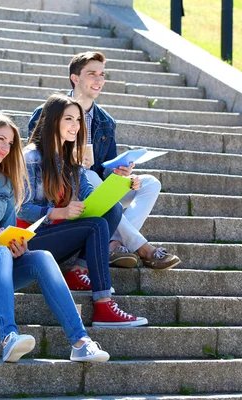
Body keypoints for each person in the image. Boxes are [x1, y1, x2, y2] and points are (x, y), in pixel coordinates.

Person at [0, 111, 110, 363]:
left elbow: (7, 233)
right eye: (1, 139)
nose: (6, 147)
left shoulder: (4, 184)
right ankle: (9, 338)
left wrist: (18, 246)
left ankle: (81, 342)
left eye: (11, 143)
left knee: (41, 257)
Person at [29, 51, 181, 285]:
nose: (98, 80)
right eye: (92, 74)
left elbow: (107, 168)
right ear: (75, 78)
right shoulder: (46, 112)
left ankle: (114, 244)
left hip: (94, 185)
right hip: (66, 187)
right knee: (87, 174)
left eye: (102, 74)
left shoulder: (106, 121)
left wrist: (122, 175)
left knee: (150, 183)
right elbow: (38, 156)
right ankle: (142, 247)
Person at [18, 94, 148, 328]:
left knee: (112, 211)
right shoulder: (31, 158)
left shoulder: (71, 161)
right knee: (96, 225)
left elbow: (91, 197)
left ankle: (80, 276)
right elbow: (23, 208)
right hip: (28, 242)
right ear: (52, 121)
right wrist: (61, 213)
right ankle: (103, 305)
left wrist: (124, 183)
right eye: (69, 119)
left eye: (78, 120)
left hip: (58, 238)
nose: (75, 126)